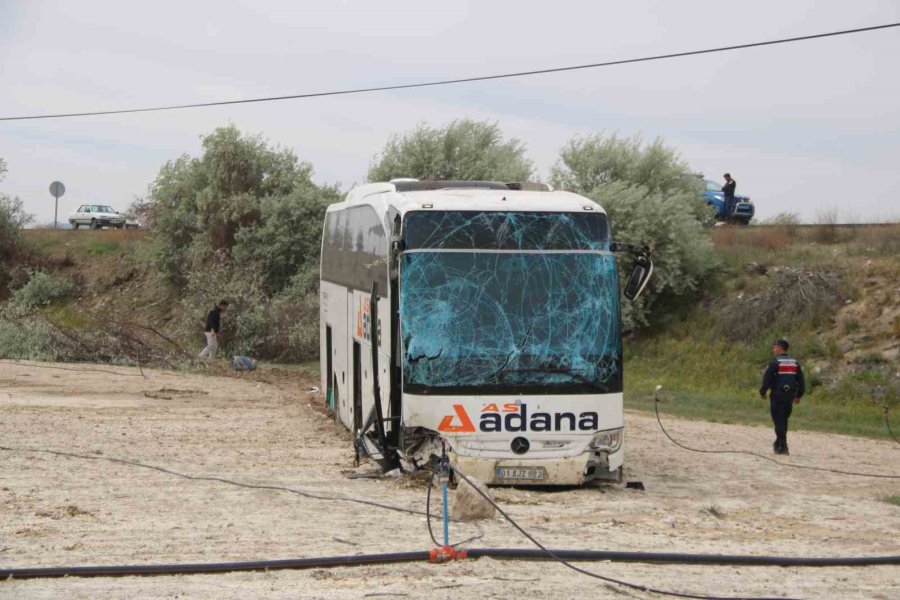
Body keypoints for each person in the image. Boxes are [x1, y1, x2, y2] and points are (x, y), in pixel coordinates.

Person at [759, 338, 805, 455]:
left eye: (775, 347)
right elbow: (801, 380)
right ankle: (779, 443)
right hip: (789, 395)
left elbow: (767, 379)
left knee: (778, 420)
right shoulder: (795, 363)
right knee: (784, 420)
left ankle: (783, 446)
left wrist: (763, 392)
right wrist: (799, 395)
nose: (774, 349)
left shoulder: (776, 362)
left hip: (777, 395)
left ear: (780, 348)